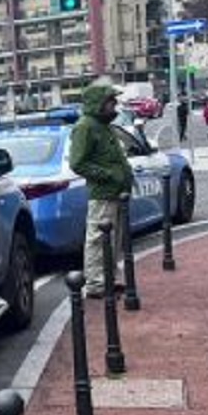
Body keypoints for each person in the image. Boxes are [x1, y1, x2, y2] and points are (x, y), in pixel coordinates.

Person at [69, 79, 134, 299]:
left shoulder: (103, 125)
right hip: (102, 194)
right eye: (110, 100)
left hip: (115, 192)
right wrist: (107, 176)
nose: (115, 104)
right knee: (98, 239)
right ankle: (97, 284)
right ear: (98, 102)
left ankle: (109, 278)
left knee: (113, 240)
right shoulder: (86, 126)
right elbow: (78, 163)